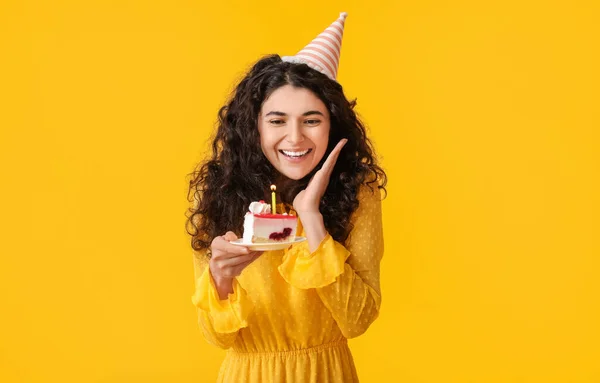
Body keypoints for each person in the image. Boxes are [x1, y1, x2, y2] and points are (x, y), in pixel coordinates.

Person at [186, 12, 387, 382]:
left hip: (327, 373)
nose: (295, 138)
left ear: (333, 123)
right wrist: (220, 280)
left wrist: (311, 217)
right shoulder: (216, 193)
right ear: (254, 126)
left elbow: (357, 320)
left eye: (311, 120)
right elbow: (217, 337)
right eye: (277, 121)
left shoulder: (357, 193)